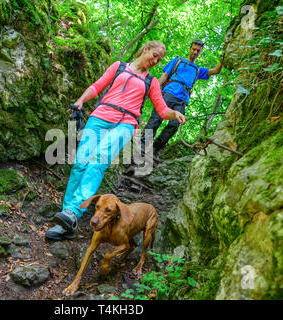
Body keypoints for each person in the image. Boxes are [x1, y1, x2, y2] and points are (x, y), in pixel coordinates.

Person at [45, 40, 186, 241]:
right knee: (80, 163)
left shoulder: (152, 82)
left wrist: (176, 114)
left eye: (159, 59)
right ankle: (67, 220)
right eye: (154, 55)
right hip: (100, 116)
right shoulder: (119, 67)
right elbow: (98, 86)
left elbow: (162, 110)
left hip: (125, 123)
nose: (156, 61)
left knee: (98, 160)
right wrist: (81, 101)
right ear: (145, 49)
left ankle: (73, 213)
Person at [139, 39, 223, 157]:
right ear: (190, 49)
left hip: (182, 100)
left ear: (200, 52)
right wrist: (153, 90)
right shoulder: (178, 61)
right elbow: (165, 75)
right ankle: (142, 147)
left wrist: (223, 56)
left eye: (198, 51)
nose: (195, 52)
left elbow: (216, 70)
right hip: (168, 93)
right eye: (193, 49)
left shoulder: (198, 70)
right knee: (155, 120)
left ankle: (155, 148)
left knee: (174, 124)